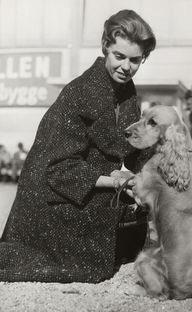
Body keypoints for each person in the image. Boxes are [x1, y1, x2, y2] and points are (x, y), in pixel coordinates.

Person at [0, 10, 156, 283]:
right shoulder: (79, 92)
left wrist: (148, 173)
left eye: (135, 60)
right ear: (106, 47)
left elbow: (133, 148)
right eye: (119, 56)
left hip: (87, 182)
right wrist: (119, 183)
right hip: (50, 196)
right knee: (94, 262)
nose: (126, 67)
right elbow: (58, 169)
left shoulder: (127, 91)